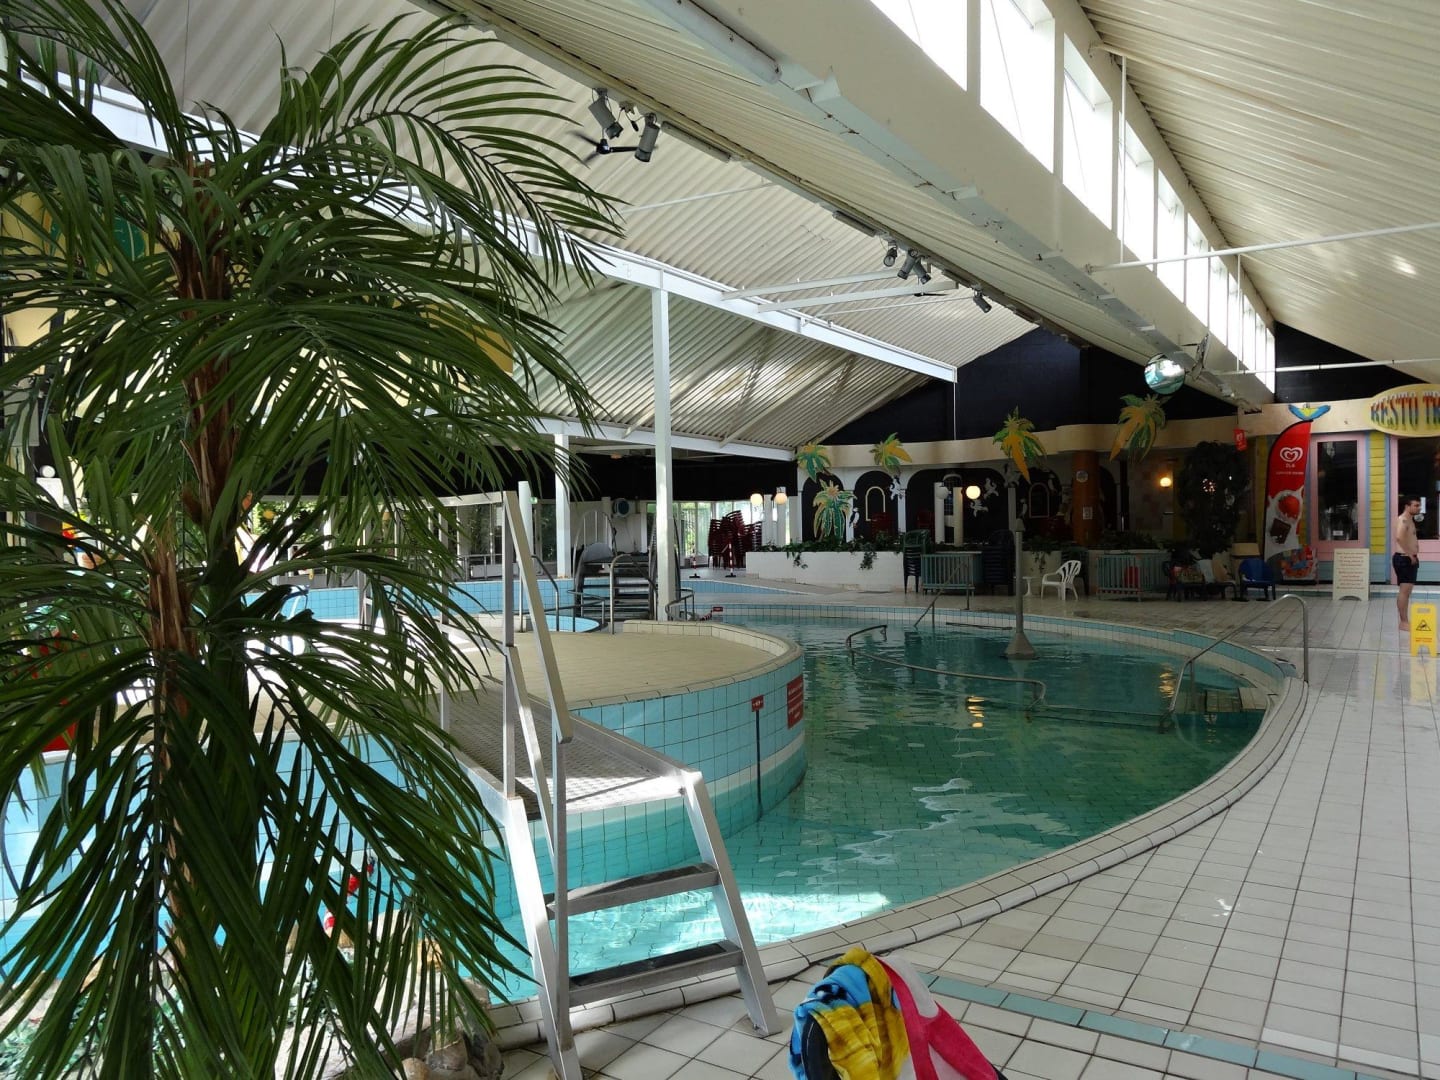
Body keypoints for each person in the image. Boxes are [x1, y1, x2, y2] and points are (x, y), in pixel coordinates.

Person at [1394, 494, 1421, 631]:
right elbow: (1399, 537)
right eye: (1416, 505)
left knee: (1406, 592)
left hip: (1408, 558)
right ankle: (1404, 622)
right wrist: (1410, 555)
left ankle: (1404, 621)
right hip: (1404, 559)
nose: (1418, 508)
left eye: (1419, 505)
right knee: (1404, 592)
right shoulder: (1404, 520)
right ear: (1407, 506)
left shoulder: (1409, 520)